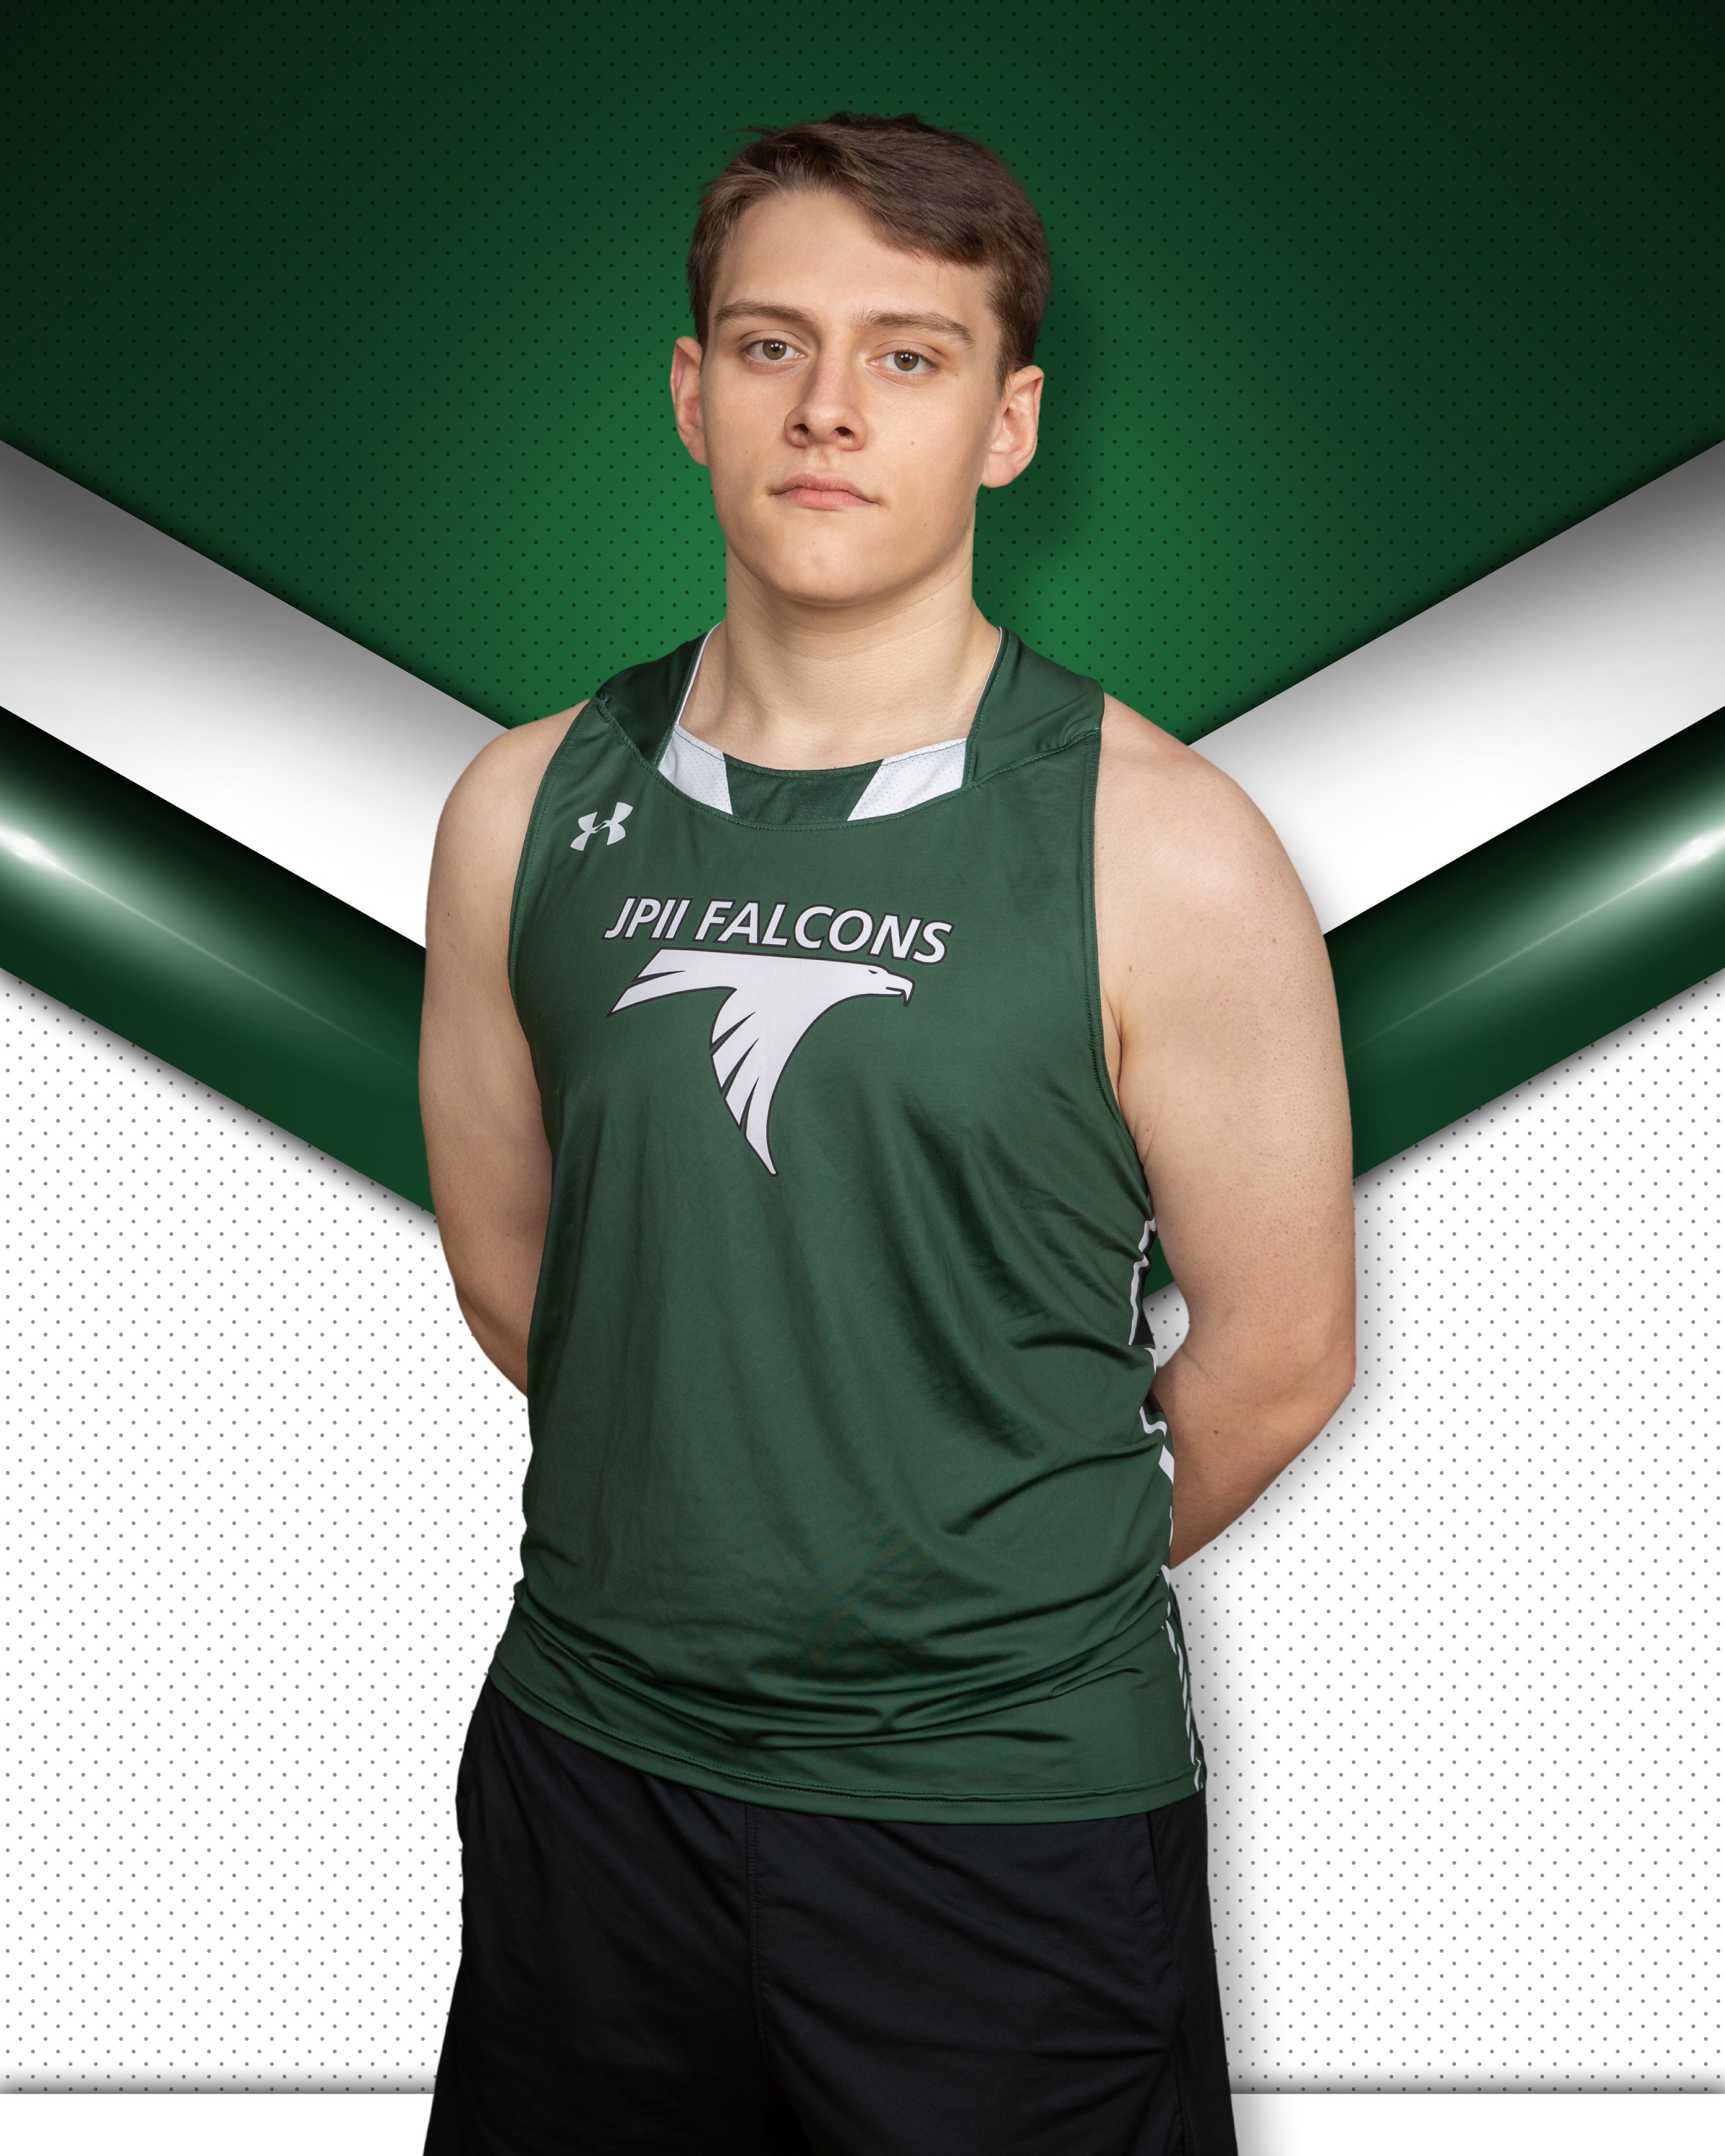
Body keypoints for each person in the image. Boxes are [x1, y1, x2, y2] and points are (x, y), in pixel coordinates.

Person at [418, 112, 1353, 2156]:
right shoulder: (520, 806)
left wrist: (963, 1597)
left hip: (1000, 1826)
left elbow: (1281, 1362)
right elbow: (519, 1275)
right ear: (694, 394)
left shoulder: (1164, 844)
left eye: (908, 357)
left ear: (1009, 425)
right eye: (773, 346)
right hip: (595, 1786)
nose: (828, 409)